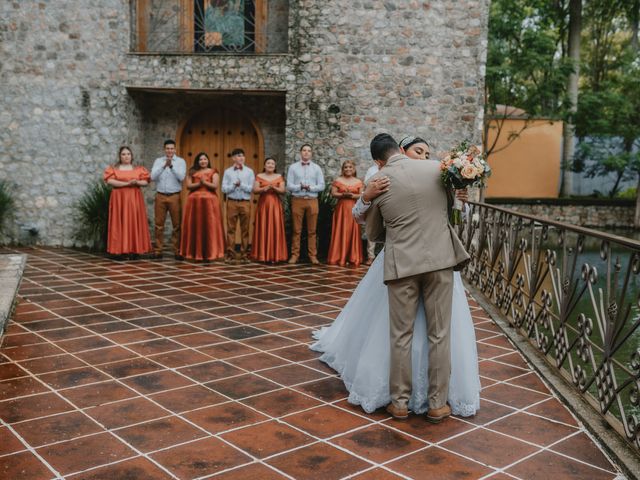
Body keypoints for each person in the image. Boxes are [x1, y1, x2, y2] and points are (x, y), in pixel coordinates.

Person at [312, 134, 480, 421]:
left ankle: (399, 403)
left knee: (400, 336)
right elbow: (451, 213)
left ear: (378, 160)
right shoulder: (439, 170)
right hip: (440, 262)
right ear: (400, 149)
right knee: (439, 335)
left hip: (401, 266)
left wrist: (370, 200)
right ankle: (438, 404)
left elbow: (374, 233)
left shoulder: (379, 182)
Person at [103, 146, 152, 258]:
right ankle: (119, 250)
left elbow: (146, 181)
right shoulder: (113, 169)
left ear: (132, 156)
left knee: (133, 221)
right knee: (119, 221)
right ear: (120, 156)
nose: (126, 156)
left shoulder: (139, 169)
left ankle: (134, 249)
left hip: (134, 198)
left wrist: (137, 182)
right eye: (123, 154)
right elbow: (110, 181)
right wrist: (127, 184)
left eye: (128, 154)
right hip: (119, 198)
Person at [179, 152, 225, 261]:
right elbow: (189, 186)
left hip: (210, 202)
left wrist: (204, 183)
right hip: (194, 203)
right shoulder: (192, 172)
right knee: (196, 225)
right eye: (200, 159)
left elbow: (214, 186)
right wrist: (200, 184)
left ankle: (212, 251)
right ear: (197, 161)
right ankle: (193, 251)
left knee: (210, 225)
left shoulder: (214, 172)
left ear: (208, 160)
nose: (203, 161)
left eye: (205, 159)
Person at [286, 144, 325, 265]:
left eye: (309, 150)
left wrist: (310, 188)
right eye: (304, 150)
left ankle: (312, 255)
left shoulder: (317, 168)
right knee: (297, 230)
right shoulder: (293, 168)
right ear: (300, 152)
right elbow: (289, 185)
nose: (306, 152)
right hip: (297, 200)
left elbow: (321, 186)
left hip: (312, 201)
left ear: (311, 153)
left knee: (312, 231)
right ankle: (295, 255)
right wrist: (300, 186)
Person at [150, 139, 186, 260]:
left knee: (177, 225)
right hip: (160, 195)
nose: (169, 150)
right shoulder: (158, 161)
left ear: (175, 149)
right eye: (167, 148)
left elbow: (181, 177)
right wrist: (163, 166)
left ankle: (177, 250)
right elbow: (152, 177)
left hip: (174, 196)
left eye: (172, 148)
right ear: (164, 149)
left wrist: (171, 167)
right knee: (159, 225)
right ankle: (158, 250)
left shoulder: (181, 161)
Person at [327, 160, 364, 267]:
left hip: (354, 209)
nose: (348, 169)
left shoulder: (358, 181)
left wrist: (352, 195)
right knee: (340, 230)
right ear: (343, 169)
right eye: (346, 167)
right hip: (341, 209)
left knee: (353, 231)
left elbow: (362, 195)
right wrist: (343, 195)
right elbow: (333, 193)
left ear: (354, 169)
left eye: (350, 167)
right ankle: (338, 256)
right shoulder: (338, 180)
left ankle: (353, 256)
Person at [251, 157, 288, 263]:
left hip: (275, 204)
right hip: (264, 204)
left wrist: (274, 188)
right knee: (263, 226)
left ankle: (275, 255)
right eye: (268, 163)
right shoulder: (259, 176)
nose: (270, 165)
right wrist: (264, 189)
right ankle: (262, 255)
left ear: (275, 166)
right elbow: (255, 190)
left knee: (275, 227)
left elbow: (283, 190)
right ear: (264, 165)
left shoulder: (279, 176)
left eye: (272, 163)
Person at [221, 148, 255, 263]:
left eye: (242, 156)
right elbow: (224, 189)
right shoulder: (227, 172)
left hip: (245, 202)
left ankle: (245, 254)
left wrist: (241, 185)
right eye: (238, 156)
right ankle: (230, 254)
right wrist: (233, 186)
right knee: (231, 229)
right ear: (233, 158)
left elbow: (251, 188)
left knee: (245, 230)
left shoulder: (249, 172)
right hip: (232, 202)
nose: (241, 158)